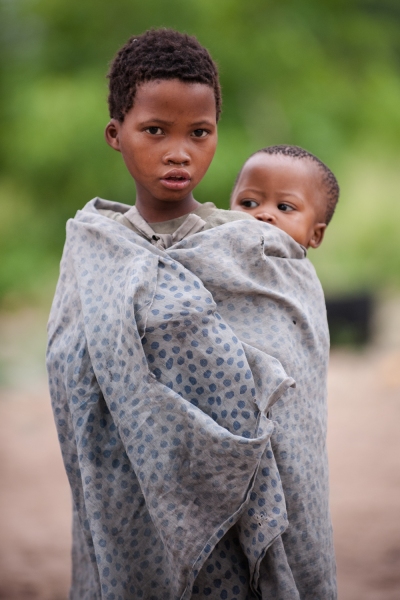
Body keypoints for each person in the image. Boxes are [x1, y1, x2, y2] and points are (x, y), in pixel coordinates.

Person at [47, 28, 338, 600]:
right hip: (135, 491)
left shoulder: (253, 249)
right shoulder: (96, 250)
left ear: (214, 136)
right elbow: (70, 371)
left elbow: (291, 373)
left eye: (198, 133)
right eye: (155, 131)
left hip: (245, 502)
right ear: (117, 134)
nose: (179, 151)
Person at [230, 144, 339, 250]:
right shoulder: (215, 246)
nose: (264, 214)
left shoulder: (299, 269)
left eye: (284, 207)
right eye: (249, 203)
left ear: (315, 235)